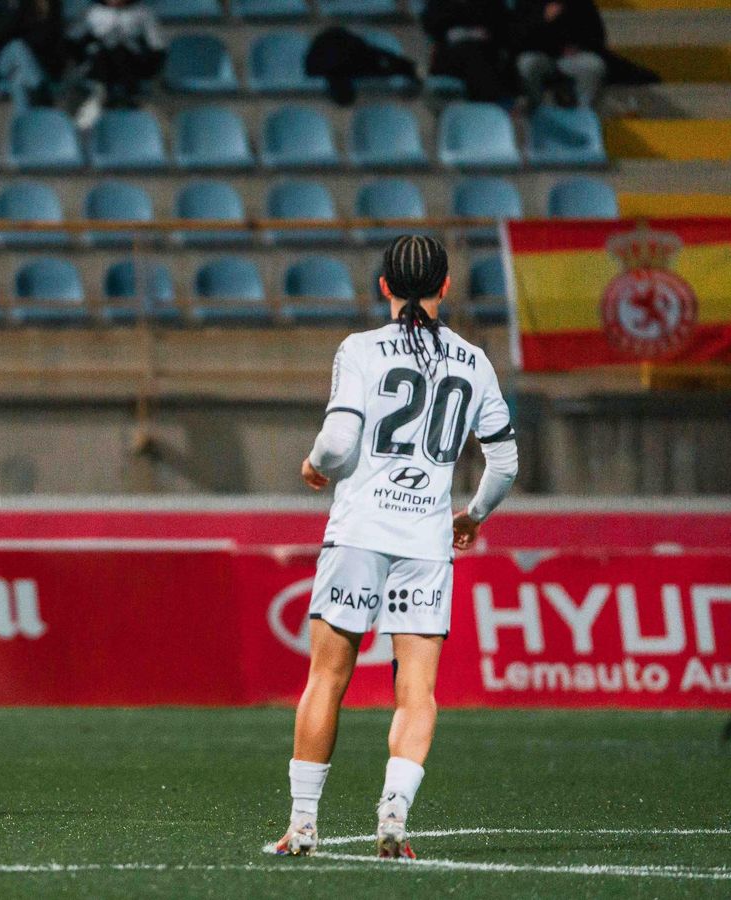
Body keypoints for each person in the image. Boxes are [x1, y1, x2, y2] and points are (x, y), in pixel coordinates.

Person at [270, 235, 518, 859]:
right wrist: (474, 515)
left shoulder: (360, 349)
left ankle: (302, 826)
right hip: (425, 540)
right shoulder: (475, 361)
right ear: (446, 285)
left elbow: (338, 440)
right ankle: (394, 820)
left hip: (358, 534)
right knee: (418, 692)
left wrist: (315, 465)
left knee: (327, 678)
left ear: (383, 285)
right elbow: (505, 460)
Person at [72, 0, 167, 130]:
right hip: (99, 67)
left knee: (120, 52)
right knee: (105, 53)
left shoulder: (142, 12)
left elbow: (157, 48)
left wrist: (147, 72)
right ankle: (100, 97)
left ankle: (132, 99)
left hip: (131, 68)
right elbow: (73, 42)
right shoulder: (91, 12)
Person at [513, 0, 609, 108]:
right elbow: (517, 36)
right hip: (541, 57)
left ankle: (582, 112)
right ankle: (537, 110)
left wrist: (578, 47)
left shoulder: (581, 3)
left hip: (572, 59)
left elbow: (598, 35)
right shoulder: (528, 4)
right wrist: (542, 18)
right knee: (526, 62)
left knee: (594, 64)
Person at [421, 0, 515, 104]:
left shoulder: (492, 4)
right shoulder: (441, 4)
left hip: (486, 55)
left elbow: (503, 28)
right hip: (451, 56)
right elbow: (433, 25)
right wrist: (467, 34)